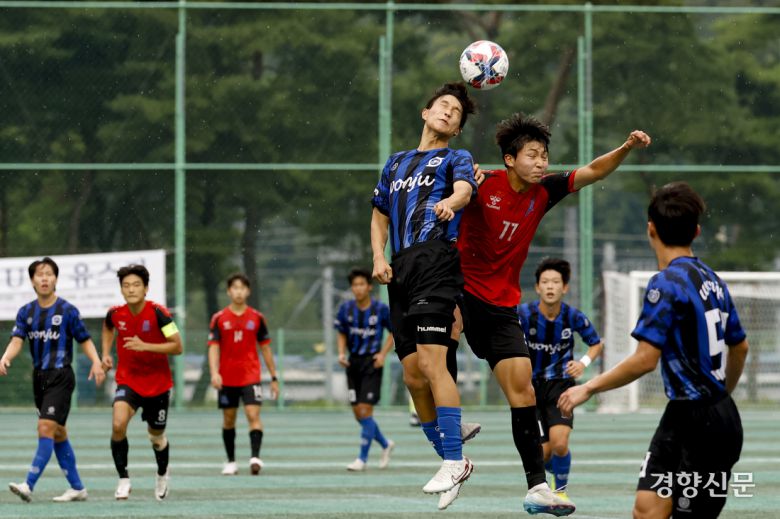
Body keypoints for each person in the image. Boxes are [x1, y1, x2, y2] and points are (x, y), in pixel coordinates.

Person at [456, 112, 651, 515]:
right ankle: (446, 428)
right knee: (443, 333)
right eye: (533, 154)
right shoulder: (481, 184)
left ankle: (536, 488)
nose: (542, 162)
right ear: (510, 159)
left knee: (522, 392)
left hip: (501, 306)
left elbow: (595, 171)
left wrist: (627, 147)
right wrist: (460, 177)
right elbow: (444, 192)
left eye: (545, 154)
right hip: (460, 291)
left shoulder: (544, 191)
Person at [559, 182, 749, 519]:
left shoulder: (665, 283)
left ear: (651, 229)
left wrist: (588, 387)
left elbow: (646, 360)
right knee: (647, 509)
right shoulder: (712, 279)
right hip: (689, 416)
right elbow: (741, 346)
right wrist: (723, 394)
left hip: (701, 425)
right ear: (697, 230)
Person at [370, 81, 479, 503]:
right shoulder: (394, 164)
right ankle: (454, 457)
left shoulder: (456, 157)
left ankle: (453, 459)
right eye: (443, 106)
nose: (450, 112)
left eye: (457, 112)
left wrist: (453, 201)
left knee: (434, 365)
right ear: (425, 112)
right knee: (413, 375)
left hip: (436, 260)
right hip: (400, 268)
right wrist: (379, 258)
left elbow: (466, 189)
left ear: (457, 129)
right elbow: (379, 215)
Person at [1, 257, 105, 503]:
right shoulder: (26, 312)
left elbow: (84, 339)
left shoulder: (67, 310)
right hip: (40, 378)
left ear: (56, 279)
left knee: (45, 427)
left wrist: (96, 361)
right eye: (39, 274)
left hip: (61, 376)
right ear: (32, 281)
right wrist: (5, 357)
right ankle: (77, 487)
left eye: (49, 274)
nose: (44, 278)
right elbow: (17, 340)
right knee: (57, 433)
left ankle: (28, 484)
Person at [517, 258, 604, 500]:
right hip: (530, 389)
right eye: (545, 282)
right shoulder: (524, 314)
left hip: (561, 387)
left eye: (556, 282)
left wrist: (583, 363)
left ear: (564, 287)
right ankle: (556, 472)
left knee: (560, 444)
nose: (550, 286)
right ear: (537, 287)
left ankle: (561, 493)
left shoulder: (572, 316)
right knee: (543, 454)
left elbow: (596, 344)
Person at [101, 264, 183, 501]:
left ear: (146, 288)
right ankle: (123, 479)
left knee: (156, 437)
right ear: (121, 289)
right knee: (118, 425)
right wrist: (106, 353)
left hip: (157, 384)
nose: (131, 289)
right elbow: (108, 327)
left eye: (136, 285)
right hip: (128, 381)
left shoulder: (159, 313)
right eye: (126, 286)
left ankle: (161, 474)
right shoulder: (116, 313)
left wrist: (145, 345)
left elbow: (177, 346)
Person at [208, 273, 279, 476]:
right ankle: (231, 461)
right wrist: (214, 373)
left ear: (248, 291)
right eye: (235, 288)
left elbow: (265, 348)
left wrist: (274, 377)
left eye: (242, 288)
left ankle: (255, 457)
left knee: (252, 414)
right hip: (227, 377)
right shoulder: (219, 318)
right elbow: (213, 347)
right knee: (229, 419)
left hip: (251, 376)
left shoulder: (257, 318)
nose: (239, 291)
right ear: (229, 291)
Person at [334, 268, 395, 471]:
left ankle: (362, 458)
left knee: (365, 410)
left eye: (362, 284)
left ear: (369, 287)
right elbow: (341, 333)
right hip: (353, 364)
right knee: (358, 414)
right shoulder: (346, 309)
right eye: (355, 285)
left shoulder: (380, 309)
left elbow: (393, 332)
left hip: (372, 363)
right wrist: (341, 354)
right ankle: (386, 444)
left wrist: (382, 354)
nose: (358, 288)